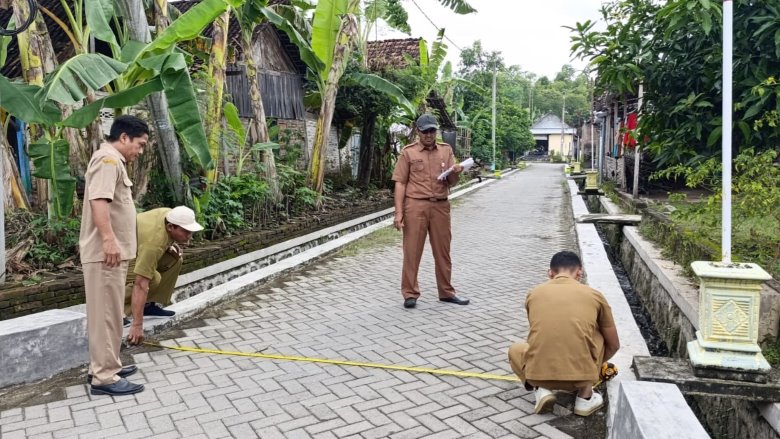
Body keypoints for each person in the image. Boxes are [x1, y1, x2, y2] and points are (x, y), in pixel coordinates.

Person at [79, 115, 149, 396]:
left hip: (111, 255)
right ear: (123, 138)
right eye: (140, 144)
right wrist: (109, 240)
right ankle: (104, 378)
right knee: (106, 315)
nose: (140, 151)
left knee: (109, 314)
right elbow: (99, 200)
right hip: (105, 254)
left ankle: (107, 365)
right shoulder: (107, 161)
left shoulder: (112, 161)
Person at [508, 251, 620, 416]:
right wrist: (594, 367)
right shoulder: (595, 295)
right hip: (582, 376)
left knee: (516, 349)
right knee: (598, 335)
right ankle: (585, 397)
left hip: (537, 374)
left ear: (550, 273)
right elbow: (614, 344)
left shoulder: (533, 294)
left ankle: (542, 389)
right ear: (579, 273)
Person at [391, 114, 469, 309]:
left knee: (443, 251)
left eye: (432, 130)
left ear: (436, 131)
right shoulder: (408, 153)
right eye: (425, 131)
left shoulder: (445, 150)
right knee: (412, 251)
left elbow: (451, 182)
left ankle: (446, 292)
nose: (429, 134)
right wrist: (398, 213)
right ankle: (410, 293)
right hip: (415, 206)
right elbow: (400, 183)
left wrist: (456, 173)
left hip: (440, 206)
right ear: (418, 131)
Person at [125, 206, 203, 345]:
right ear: (170, 227)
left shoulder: (170, 214)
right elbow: (140, 284)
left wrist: (171, 245)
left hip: (138, 245)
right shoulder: (153, 244)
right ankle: (112, 311)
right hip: (120, 254)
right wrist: (137, 325)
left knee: (175, 260)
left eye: (191, 232)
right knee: (152, 279)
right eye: (186, 232)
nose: (189, 236)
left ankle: (148, 306)